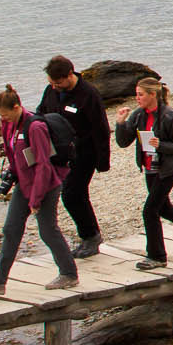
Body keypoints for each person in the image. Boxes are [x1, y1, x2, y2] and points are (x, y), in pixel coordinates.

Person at [0, 85, 79, 292]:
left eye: (5, 115)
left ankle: (69, 274)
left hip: (46, 184)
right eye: (0, 115)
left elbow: (44, 165)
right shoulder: (8, 125)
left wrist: (36, 199)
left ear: (17, 107)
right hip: (24, 184)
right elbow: (12, 154)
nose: (2, 119)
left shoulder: (35, 128)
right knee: (11, 229)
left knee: (47, 230)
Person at [114, 76, 173, 270]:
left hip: (169, 168)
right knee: (162, 207)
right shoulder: (139, 115)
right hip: (150, 167)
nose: (137, 98)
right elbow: (123, 142)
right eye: (136, 94)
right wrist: (120, 123)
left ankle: (157, 256)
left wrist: (160, 145)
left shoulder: (170, 117)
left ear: (152, 94)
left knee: (150, 211)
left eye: (140, 94)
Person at [37, 55, 110, 258]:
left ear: (70, 75)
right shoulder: (51, 92)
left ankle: (91, 237)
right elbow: (41, 114)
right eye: (51, 83)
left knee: (71, 194)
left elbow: (101, 129)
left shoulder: (88, 95)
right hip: (60, 153)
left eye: (58, 82)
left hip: (85, 153)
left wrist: (103, 161)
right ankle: (89, 237)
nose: (54, 87)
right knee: (76, 194)